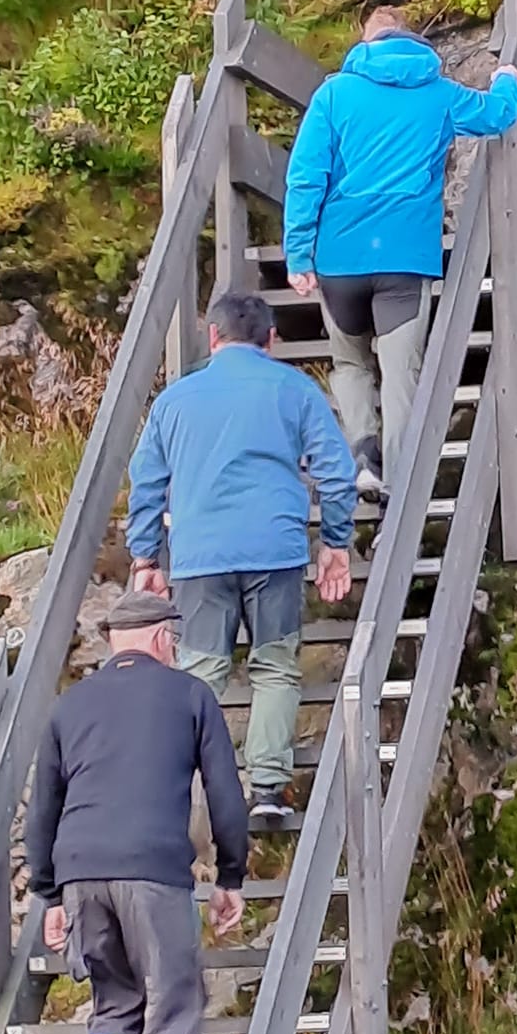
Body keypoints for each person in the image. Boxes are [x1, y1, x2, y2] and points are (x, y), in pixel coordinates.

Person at [24, 588, 247, 1034]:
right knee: (175, 1008)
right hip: (153, 873)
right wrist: (230, 874)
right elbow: (226, 795)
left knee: (113, 1000)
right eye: (172, 637)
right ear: (158, 637)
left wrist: (47, 893)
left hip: (82, 874)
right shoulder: (189, 697)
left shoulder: (72, 705)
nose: (175, 646)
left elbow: (43, 810)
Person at [127, 290, 358, 828]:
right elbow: (337, 473)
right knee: (275, 668)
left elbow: (147, 483)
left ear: (212, 336)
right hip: (274, 550)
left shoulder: (175, 401)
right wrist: (335, 543)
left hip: (199, 554)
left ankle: (187, 791)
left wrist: (145, 556)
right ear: (271, 340)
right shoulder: (296, 390)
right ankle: (269, 788)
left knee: (201, 671)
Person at [282, 6, 517, 498]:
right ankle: (402, 483)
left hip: (339, 258)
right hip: (405, 258)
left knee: (349, 363)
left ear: (364, 42)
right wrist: (507, 79)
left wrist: (298, 255)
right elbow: (497, 115)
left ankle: (363, 456)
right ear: (410, 40)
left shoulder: (334, 94)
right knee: (399, 371)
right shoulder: (438, 93)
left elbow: (306, 177)